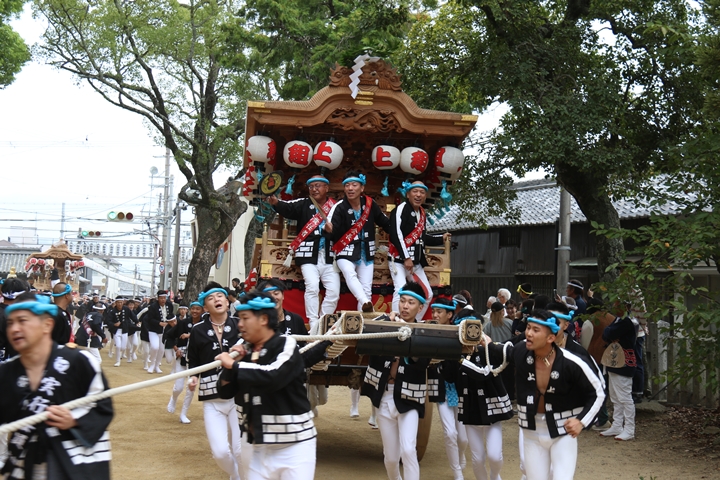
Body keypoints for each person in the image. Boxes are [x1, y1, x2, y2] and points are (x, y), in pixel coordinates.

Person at [0, 293, 114, 479]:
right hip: (27, 466)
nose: (14, 329)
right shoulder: (7, 372)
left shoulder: (78, 362)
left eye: (22, 321)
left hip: (73, 466)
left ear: (47, 324)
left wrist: (74, 420)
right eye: (10, 323)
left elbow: (103, 407)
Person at [217, 292, 319, 480]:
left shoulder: (286, 344)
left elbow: (273, 375)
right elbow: (225, 391)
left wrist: (235, 366)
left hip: (295, 445)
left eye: (245, 318)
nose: (240, 324)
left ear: (263, 319)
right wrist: (231, 366)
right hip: (259, 447)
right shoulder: (245, 351)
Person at [512, 309, 605, 480]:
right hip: (531, 430)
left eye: (536, 330)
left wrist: (581, 421)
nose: (529, 333)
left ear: (550, 338)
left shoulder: (573, 361)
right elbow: (499, 351)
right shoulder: (519, 351)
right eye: (528, 328)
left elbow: (598, 392)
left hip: (563, 430)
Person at [361, 281, 431, 480]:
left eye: (411, 303)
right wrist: (386, 322)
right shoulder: (385, 322)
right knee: (391, 458)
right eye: (402, 301)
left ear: (420, 307)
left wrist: (406, 336)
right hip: (385, 396)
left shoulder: (424, 331)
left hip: (409, 397)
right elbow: (364, 336)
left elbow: (422, 362)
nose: (405, 306)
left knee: (408, 450)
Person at [187, 283, 245, 480]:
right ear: (205, 307)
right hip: (211, 397)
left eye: (220, 296)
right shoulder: (198, 330)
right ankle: (235, 473)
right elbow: (193, 361)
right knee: (220, 453)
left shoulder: (241, 324)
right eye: (211, 298)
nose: (217, 300)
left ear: (227, 302)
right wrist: (193, 377)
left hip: (238, 395)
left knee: (240, 450)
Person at [269, 174, 341, 334]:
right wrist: (276, 203)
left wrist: (333, 229)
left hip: (330, 256)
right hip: (308, 254)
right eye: (311, 187)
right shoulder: (303, 203)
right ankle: (314, 324)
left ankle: (322, 322)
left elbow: (343, 227)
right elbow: (287, 207)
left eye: (318, 186)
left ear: (326, 188)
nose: (314, 189)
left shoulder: (336, 206)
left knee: (334, 291)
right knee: (312, 287)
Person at [326, 170, 391, 312]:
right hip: (344, 251)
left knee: (366, 287)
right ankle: (365, 301)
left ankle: (363, 321)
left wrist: (399, 231)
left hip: (366, 252)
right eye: (347, 185)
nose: (350, 188)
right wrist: (328, 230)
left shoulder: (370, 204)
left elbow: (385, 223)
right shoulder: (339, 207)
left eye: (354, 185)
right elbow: (331, 232)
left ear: (362, 188)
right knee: (350, 273)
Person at [458, 322, 514, 480]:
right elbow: (448, 376)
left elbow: (483, 373)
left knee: (495, 457)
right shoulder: (456, 354)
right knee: (477, 459)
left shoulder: (489, 351)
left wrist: (459, 359)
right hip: (470, 410)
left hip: (492, 410)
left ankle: (495, 476)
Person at [388, 180, 450, 319]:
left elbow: (422, 238)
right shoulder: (401, 209)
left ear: (425, 196)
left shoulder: (422, 213)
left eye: (422, 192)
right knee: (400, 290)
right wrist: (406, 257)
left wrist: (441, 238)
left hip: (415, 262)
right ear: (408, 194)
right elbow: (395, 234)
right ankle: (394, 323)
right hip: (398, 260)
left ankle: (412, 321)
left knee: (427, 294)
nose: (418, 195)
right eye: (415, 191)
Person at [428, 298, 468, 480]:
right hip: (440, 387)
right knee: (450, 433)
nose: (435, 315)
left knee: (463, 438)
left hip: (459, 387)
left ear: (450, 314)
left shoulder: (460, 333)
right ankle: (456, 471)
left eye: (439, 312)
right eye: (433, 311)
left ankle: (461, 455)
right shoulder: (428, 332)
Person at [599, 303, 637, 441]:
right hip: (614, 360)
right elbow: (606, 333)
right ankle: (617, 425)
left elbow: (609, 333)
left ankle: (629, 428)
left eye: (617, 304)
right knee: (615, 396)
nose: (614, 306)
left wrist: (609, 333)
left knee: (625, 396)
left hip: (624, 361)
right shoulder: (618, 320)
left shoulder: (627, 321)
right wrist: (609, 333)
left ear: (625, 306)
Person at [165, 303, 199, 424]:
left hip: (196, 359)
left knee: (191, 387)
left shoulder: (205, 324)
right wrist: (176, 349)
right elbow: (169, 336)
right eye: (193, 309)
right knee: (178, 387)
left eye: (198, 309)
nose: (195, 311)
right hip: (182, 356)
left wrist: (189, 335)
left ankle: (183, 413)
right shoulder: (183, 323)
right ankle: (173, 398)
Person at [145, 290, 174, 374]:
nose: (163, 300)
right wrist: (159, 323)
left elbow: (171, 315)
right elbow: (150, 319)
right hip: (153, 330)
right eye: (161, 298)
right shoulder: (153, 307)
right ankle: (152, 364)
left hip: (165, 331)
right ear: (158, 298)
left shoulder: (169, 305)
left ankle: (157, 366)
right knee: (155, 347)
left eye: (164, 298)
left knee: (161, 349)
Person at [106, 297, 137, 367]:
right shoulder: (112, 311)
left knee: (123, 347)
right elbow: (108, 321)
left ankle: (121, 354)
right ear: (116, 303)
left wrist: (137, 321)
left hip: (125, 330)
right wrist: (114, 324)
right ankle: (117, 361)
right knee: (118, 346)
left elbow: (132, 316)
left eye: (121, 302)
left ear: (123, 303)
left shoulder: (126, 309)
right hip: (117, 331)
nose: (120, 304)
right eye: (118, 302)